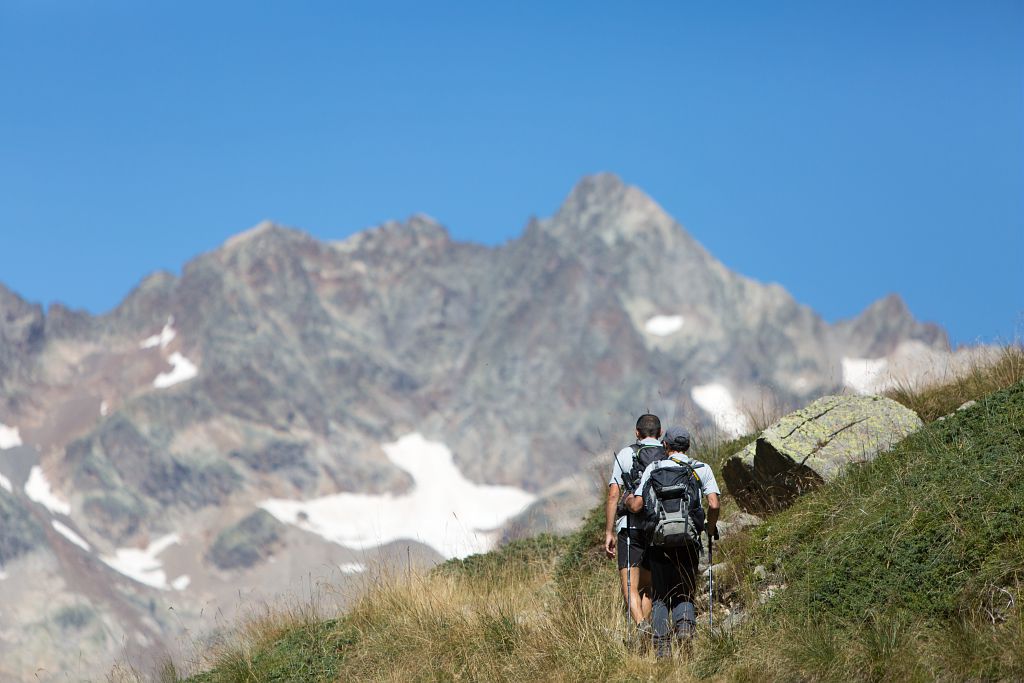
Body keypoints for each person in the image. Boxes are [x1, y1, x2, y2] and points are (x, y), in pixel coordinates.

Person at [625, 426, 720, 658]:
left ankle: (662, 649)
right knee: (684, 591)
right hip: (688, 541)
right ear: (687, 446)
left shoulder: (653, 468)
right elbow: (714, 504)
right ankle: (685, 628)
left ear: (665, 446)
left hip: (658, 543)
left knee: (659, 596)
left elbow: (637, 505)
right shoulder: (700, 468)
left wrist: (627, 500)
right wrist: (709, 526)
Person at [605, 413, 665, 627]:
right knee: (649, 587)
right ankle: (646, 628)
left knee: (630, 587)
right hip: (658, 527)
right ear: (660, 432)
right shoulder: (667, 454)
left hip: (630, 527)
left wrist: (609, 532)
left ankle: (640, 625)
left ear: (636, 433)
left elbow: (613, 495)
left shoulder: (625, 454)